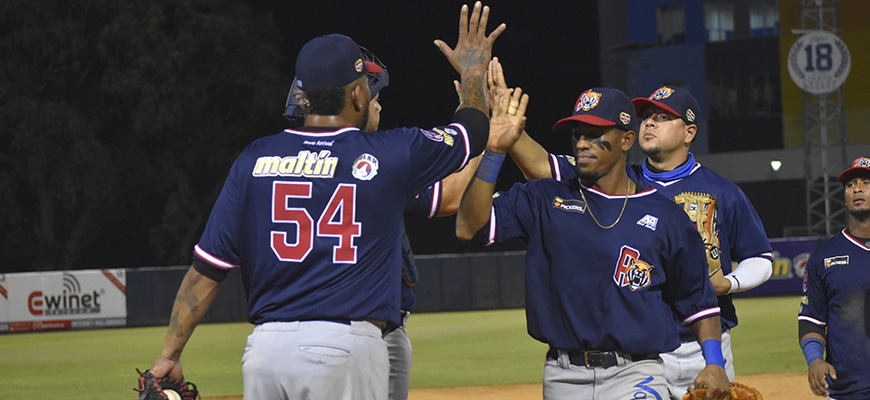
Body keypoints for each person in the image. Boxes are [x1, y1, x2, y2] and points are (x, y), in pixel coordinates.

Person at [145, 2, 505, 399]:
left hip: (266, 351)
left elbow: (205, 271)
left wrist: (169, 354)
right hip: (342, 347)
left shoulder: (254, 159)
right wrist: (473, 72)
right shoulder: (389, 155)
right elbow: (472, 126)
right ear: (355, 95)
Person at [456, 86, 731, 399]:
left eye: (594, 133)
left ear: (626, 140)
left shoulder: (665, 216)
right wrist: (494, 153)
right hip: (563, 376)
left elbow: (698, 299)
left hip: (637, 373)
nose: (583, 143)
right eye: (578, 134)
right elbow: (468, 227)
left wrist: (714, 362)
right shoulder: (545, 199)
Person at [798, 156, 870, 400]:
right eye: (850, 185)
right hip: (846, 390)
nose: (857, 188)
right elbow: (811, 319)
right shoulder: (824, 256)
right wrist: (815, 360)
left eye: (866, 182)